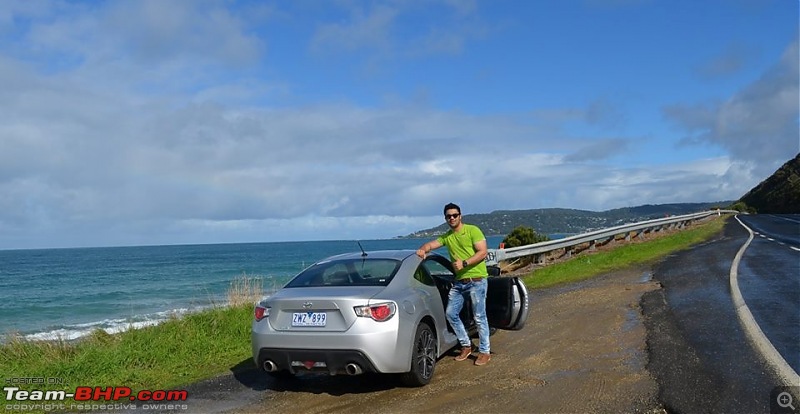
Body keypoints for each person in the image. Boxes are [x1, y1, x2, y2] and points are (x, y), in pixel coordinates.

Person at [416, 202, 491, 366]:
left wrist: (464, 263)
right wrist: (422, 249)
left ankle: (485, 351)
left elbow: (483, 252)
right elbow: (430, 245)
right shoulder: (447, 237)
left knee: (479, 317)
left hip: (477, 280)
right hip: (459, 283)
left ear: (460, 216)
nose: (452, 218)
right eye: (448, 216)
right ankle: (466, 345)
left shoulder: (472, 230)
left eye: (454, 215)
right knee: (451, 314)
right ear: (445, 218)